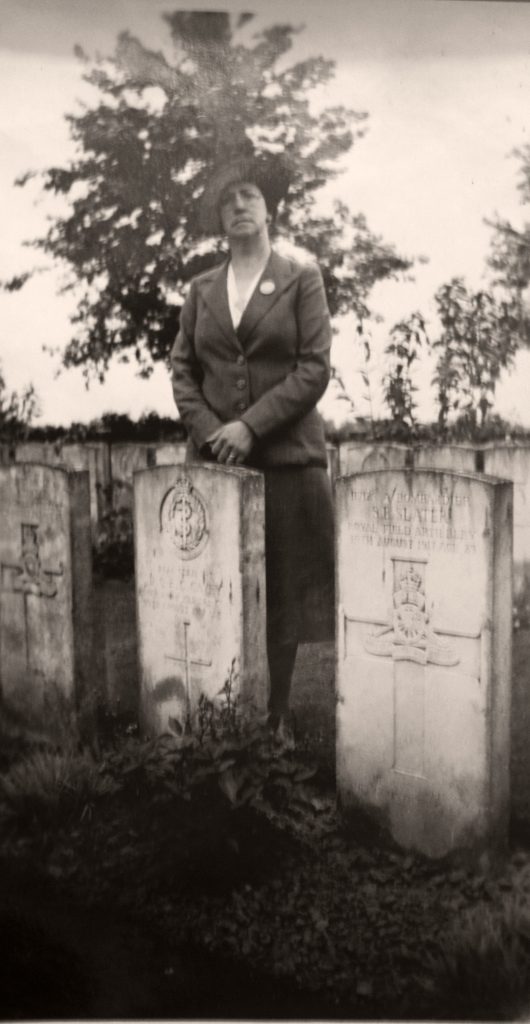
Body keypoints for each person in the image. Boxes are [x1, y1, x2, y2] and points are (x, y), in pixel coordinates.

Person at [170, 155, 334, 736]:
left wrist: (251, 427)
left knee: (283, 591)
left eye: (248, 196)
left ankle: (278, 712)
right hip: (217, 464)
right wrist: (210, 430)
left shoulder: (299, 277)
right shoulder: (201, 290)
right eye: (226, 200)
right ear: (220, 218)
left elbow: (314, 369)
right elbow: (182, 369)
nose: (238, 206)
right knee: (217, 588)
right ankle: (222, 705)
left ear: (269, 208)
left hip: (286, 460)